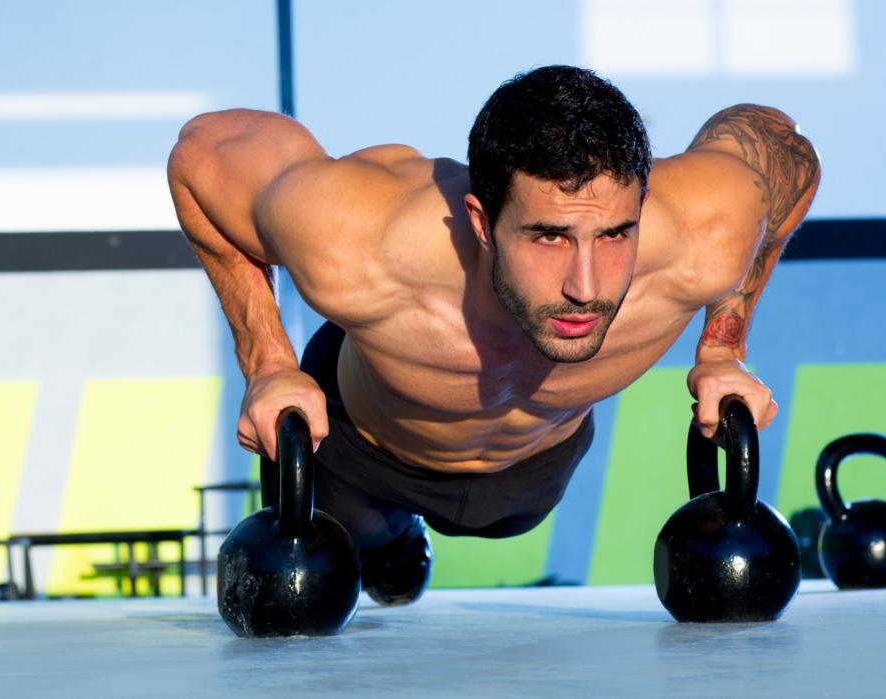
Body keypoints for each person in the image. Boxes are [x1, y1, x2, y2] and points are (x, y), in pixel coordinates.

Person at [167, 65, 820, 605]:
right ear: (481, 222)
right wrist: (268, 361)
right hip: (366, 454)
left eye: (615, 234)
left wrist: (723, 345)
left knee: (511, 513)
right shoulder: (357, 237)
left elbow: (785, 150)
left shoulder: (705, 229)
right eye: (549, 236)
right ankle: (391, 542)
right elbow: (201, 151)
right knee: (372, 555)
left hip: (535, 471)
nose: (586, 286)